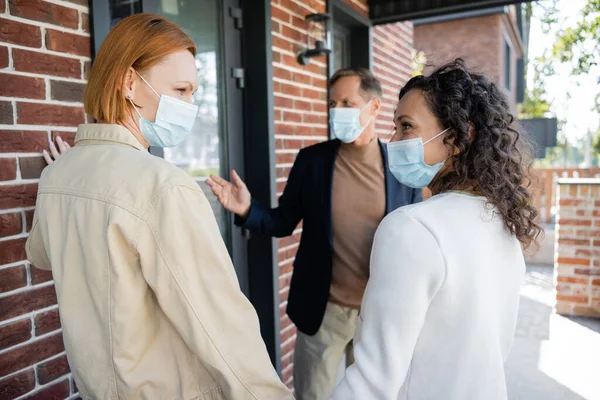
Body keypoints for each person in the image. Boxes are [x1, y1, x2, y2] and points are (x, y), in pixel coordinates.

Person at [26, 14, 293, 400]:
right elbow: (220, 325)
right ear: (129, 82)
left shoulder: (56, 178)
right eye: (182, 90)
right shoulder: (164, 187)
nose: (190, 104)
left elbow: (40, 255)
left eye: (193, 93)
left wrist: (73, 177)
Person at [330, 59, 543, 400]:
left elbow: (372, 381)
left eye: (406, 126)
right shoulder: (502, 224)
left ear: (458, 138)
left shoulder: (411, 227)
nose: (393, 140)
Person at [207, 68, 422, 399]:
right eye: (332, 103)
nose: (337, 110)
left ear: (374, 107)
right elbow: (281, 222)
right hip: (324, 312)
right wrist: (247, 209)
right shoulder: (313, 162)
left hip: (378, 312)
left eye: (347, 102)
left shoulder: (399, 166)